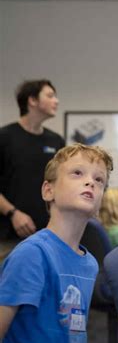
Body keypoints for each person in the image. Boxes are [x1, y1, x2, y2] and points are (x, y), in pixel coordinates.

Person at [0, 143, 113, 343]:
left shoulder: (89, 263)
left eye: (99, 180)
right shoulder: (33, 255)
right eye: (77, 173)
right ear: (48, 190)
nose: (90, 181)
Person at [0, 80, 65, 259]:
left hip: (49, 236)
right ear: (32, 101)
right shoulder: (5, 138)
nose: (56, 101)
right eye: (50, 95)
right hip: (8, 237)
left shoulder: (56, 141)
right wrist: (13, 213)